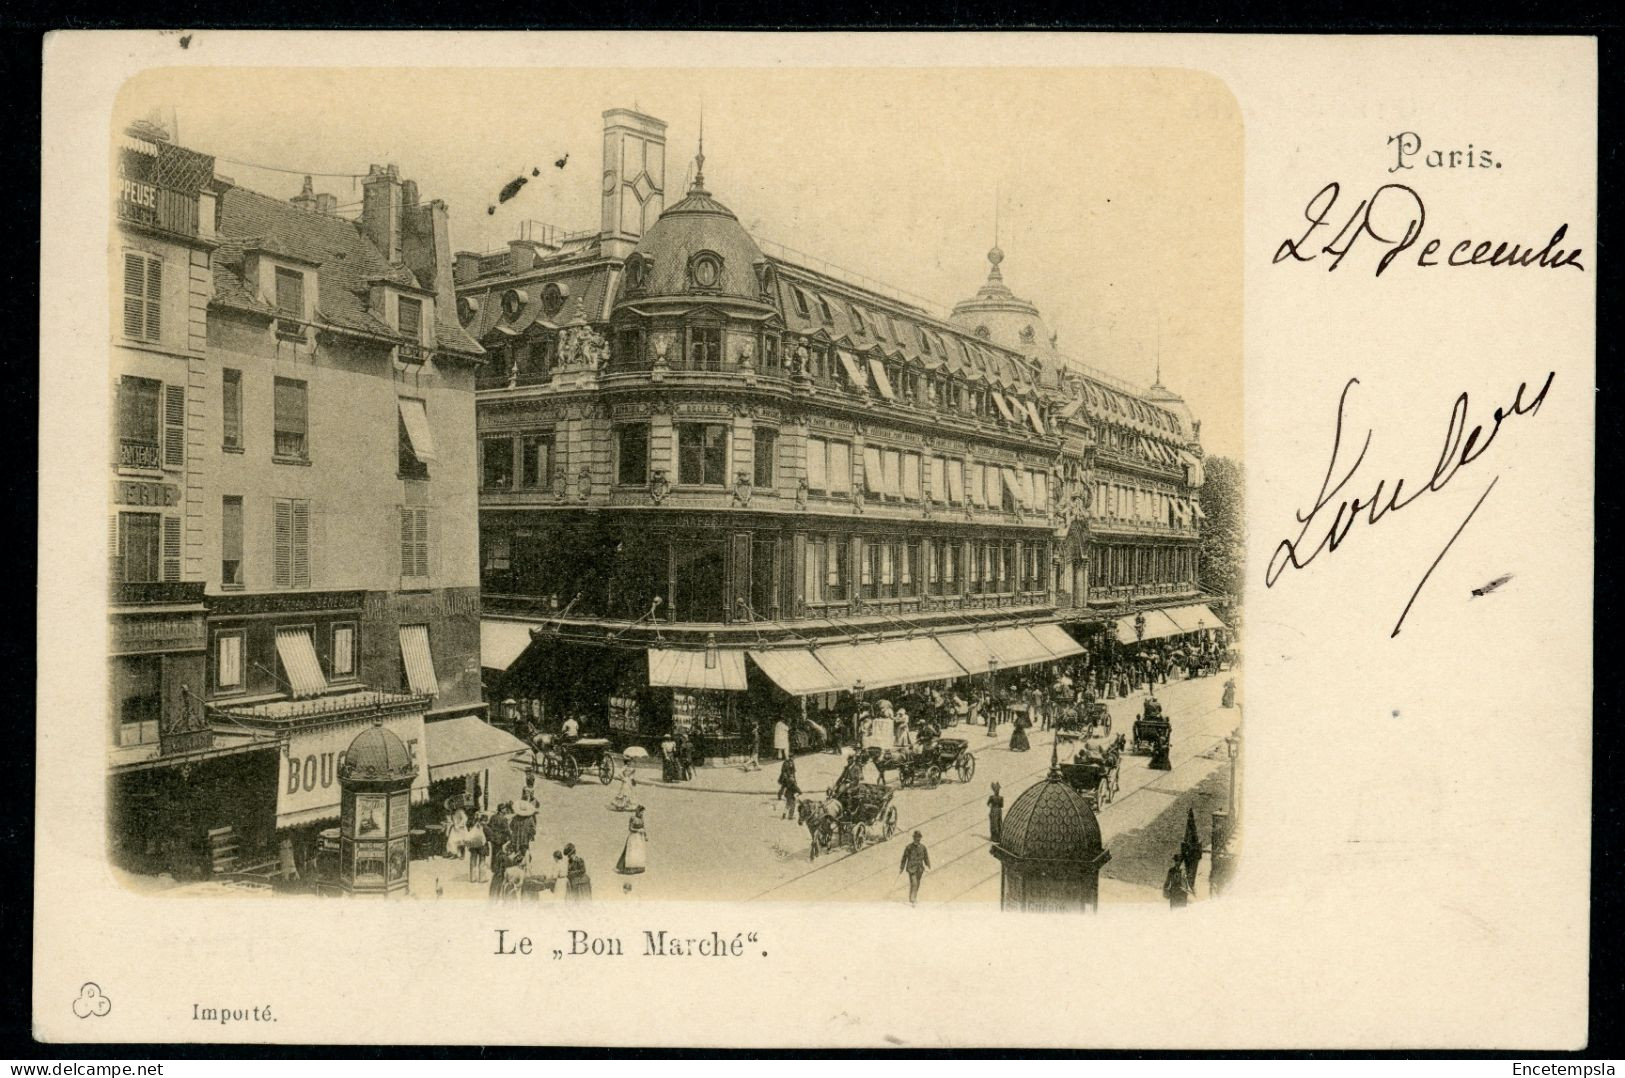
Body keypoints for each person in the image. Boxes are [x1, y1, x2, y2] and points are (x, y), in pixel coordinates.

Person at [485, 803, 514, 897]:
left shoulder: (493, 816)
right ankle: (497, 867)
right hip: (500, 838)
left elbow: (489, 826)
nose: (505, 810)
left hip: (494, 837)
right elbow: (506, 829)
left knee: (494, 852)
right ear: (502, 809)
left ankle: (493, 866)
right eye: (504, 808)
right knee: (499, 852)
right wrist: (510, 837)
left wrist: (492, 834)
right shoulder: (503, 819)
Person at [899, 831, 931, 906]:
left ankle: (913, 897)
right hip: (911, 868)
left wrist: (928, 865)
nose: (918, 839)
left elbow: (926, 858)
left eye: (919, 837)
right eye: (916, 837)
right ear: (914, 838)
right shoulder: (909, 847)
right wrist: (901, 868)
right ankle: (913, 899)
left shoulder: (923, 847)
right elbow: (904, 858)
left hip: (919, 868)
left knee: (917, 883)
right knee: (914, 883)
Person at [615, 807, 648, 875]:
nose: (642, 813)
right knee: (632, 852)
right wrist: (638, 830)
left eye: (643, 812)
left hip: (639, 838)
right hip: (633, 837)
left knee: (639, 851)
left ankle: (638, 867)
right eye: (641, 812)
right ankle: (629, 867)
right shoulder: (633, 818)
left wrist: (645, 835)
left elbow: (643, 827)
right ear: (638, 812)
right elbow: (630, 828)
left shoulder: (641, 819)